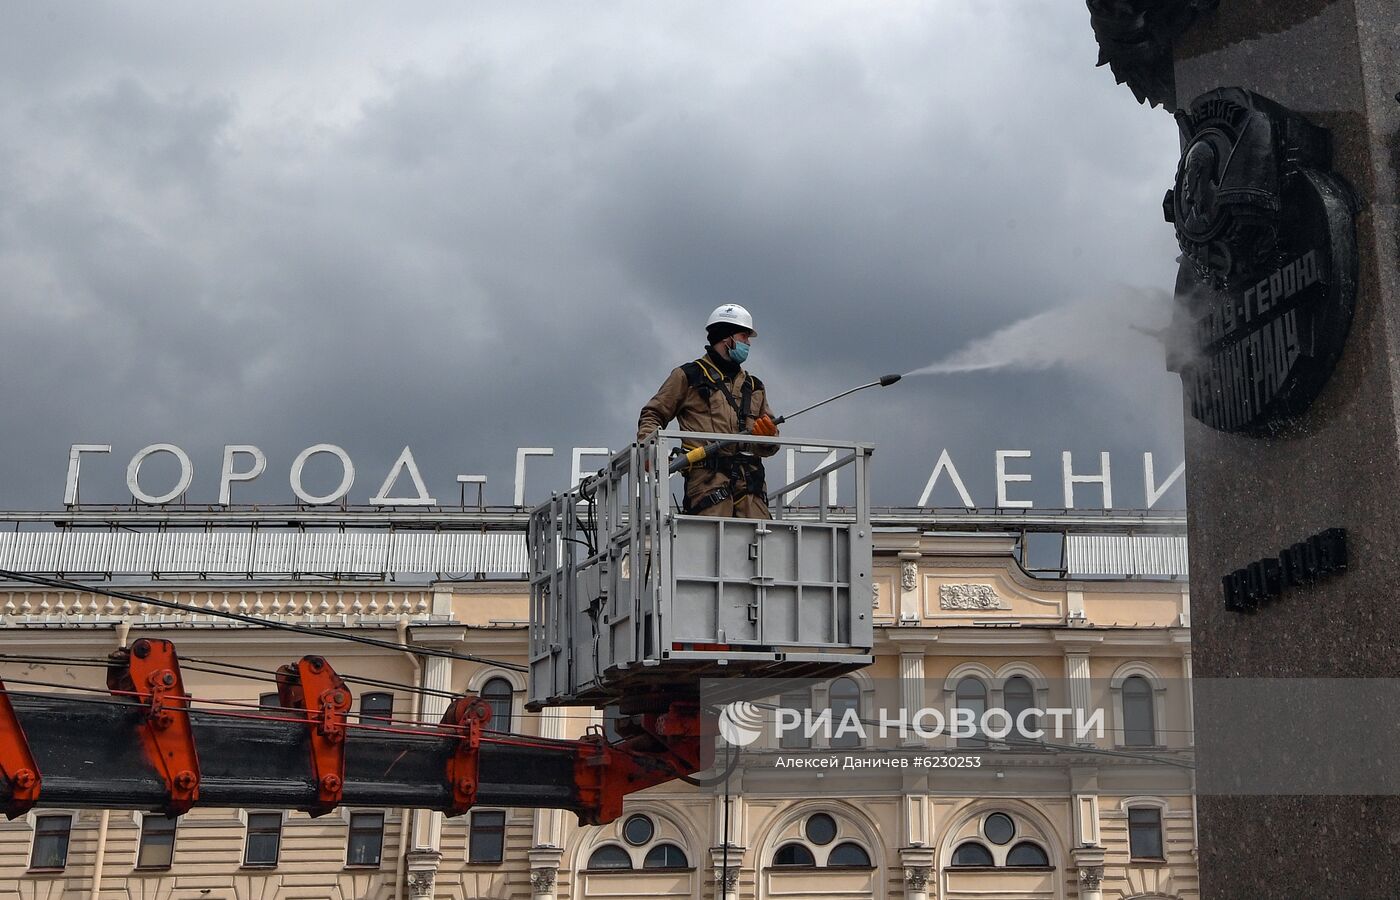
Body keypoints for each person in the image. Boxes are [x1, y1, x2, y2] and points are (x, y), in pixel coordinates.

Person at [637, 304, 780, 518]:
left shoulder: (754, 386)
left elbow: (770, 444)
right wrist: (650, 450)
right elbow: (653, 414)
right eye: (744, 337)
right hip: (708, 487)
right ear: (726, 337)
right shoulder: (689, 376)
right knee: (711, 547)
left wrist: (768, 437)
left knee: (763, 548)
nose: (748, 343)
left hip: (751, 490)